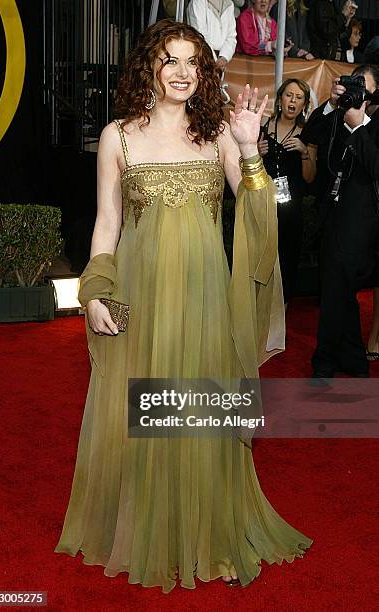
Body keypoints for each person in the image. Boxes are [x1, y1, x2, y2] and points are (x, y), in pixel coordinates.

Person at [54, 19, 312, 593]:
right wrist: (93, 291)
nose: (181, 72)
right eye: (169, 60)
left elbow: (259, 217)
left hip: (204, 297)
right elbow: (107, 223)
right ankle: (149, 529)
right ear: (147, 65)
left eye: (192, 62)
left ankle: (205, 533)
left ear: (204, 72)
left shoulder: (219, 130)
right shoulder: (118, 136)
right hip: (141, 297)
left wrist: (249, 150)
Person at [301, 64, 379, 378]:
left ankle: (326, 362)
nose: (357, 91)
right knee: (338, 291)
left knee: (337, 291)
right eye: (354, 84)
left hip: (361, 224)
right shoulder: (336, 114)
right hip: (330, 217)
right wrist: (332, 103)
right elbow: (309, 135)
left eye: (364, 86)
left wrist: (359, 127)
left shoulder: (373, 125)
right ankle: (352, 360)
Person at [258, 78, 316, 305]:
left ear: (304, 105)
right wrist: (256, 154)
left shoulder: (306, 134)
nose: (293, 100)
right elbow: (246, 171)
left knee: (287, 258)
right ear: (280, 99)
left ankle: (282, 307)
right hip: (264, 204)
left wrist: (303, 151)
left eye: (299, 97)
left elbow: (310, 177)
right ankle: (259, 306)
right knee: (261, 257)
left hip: (291, 210)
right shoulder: (264, 127)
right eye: (289, 95)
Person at [187, 0, 237, 70]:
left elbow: (231, 36)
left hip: (219, 61)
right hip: (201, 56)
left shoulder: (229, 4)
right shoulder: (198, 2)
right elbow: (199, 34)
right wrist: (213, 59)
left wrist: (224, 57)